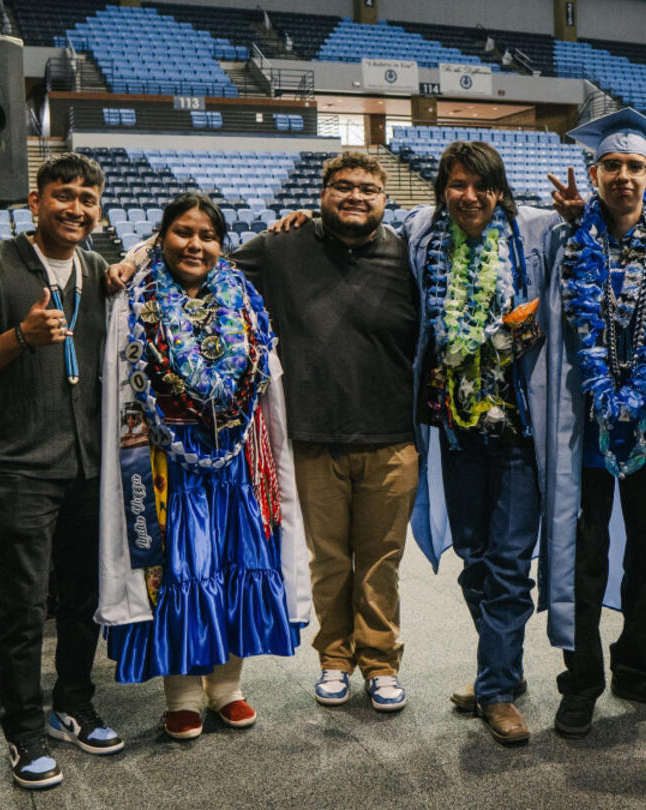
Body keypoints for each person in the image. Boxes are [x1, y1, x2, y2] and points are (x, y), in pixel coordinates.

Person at [97, 191, 311, 740]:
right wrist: (139, 254)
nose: (195, 244)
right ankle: (183, 695)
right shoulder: (135, 297)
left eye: (208, 235)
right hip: (167, 462)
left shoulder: (243, 296)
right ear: (161, 237)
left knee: (239, 560)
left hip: (238, 458)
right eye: (183, 232)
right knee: (180, 566)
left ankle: (227, 688)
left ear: (222, 244)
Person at [0, 152, 121, 790]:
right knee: (21, 608)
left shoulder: (100, 270)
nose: (75, 208)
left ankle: (72, 704)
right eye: (63, 195)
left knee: (83, 599)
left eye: (87, 198)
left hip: (87, 466)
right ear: (34, 200)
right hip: (18, 467)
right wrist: (19, 337)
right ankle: (22, 729)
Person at [229, 153, 421, 712]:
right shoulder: (281, 248)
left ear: (385, 198)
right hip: (313, 436)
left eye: (368, 188)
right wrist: (134, 258)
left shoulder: (408, 253)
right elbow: (206, 266)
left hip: (391, 439)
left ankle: (381, 663)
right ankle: (334, 660)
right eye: (342, 187)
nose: (355, 196)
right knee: (330, 560)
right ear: (322, 194)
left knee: (381, 562)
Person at [402, 141, 574, 745]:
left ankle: (497, 690)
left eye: (481, 186)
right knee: (474, 561)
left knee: (506, 565)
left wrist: (578, 214)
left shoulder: (536, 233)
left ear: (499, 191)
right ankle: (498, 667)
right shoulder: (422, 236)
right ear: (442, 190)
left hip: (521, 429)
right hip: (457, 427)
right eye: (456, 185)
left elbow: (599, 233)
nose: (468, 197)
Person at [546, 110, 646, 740]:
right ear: (595, 171)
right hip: (583, 431)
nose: (624, 176)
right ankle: (580, 680)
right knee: (584, 555)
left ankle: (634, 668)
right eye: (612, 165)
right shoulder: (566, 241)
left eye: (635, 166)